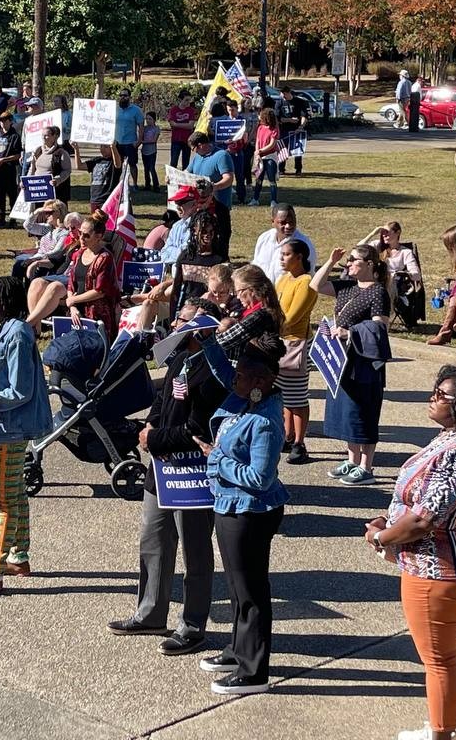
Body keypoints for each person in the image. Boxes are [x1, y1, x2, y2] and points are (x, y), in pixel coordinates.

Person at [365, 365, 456, 740]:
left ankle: (442, 733)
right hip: (454, 559)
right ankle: (443, 727)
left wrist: (383, 538)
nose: (432, 397)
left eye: (442, 395)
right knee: (447, 650)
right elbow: (423, 501)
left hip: (435, 566)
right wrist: (391, 515)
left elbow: (426, 519)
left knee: (438, 659)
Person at [108, 297, 224, 652]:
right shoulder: (178, 359)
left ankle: (192, 625)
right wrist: (150, 424)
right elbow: (162, 401)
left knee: (195, 551)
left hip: (193, 477)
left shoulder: (213, 371)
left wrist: (153, 438)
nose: (175, 325)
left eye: (183, 321)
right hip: (161, 472)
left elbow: (199, 430)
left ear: (200, 331)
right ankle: (150, 614)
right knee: (153, 540)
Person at [193, 338, 288, 696]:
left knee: (251, 591)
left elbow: (260, 479)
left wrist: (217, 459)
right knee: (235, 587)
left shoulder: (263, 422)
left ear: (261, 383)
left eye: (242, 375)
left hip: (250, 511)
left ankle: (254, 671)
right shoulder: (244, 398)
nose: (234, 379)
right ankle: (236, 650)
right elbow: (222, 371)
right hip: (229, 507)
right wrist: (207, 341)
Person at [0, 276, 56, 600]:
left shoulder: (16, 333)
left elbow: (20, 389)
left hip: (8, 429)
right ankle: (19, 557)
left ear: (7, 301)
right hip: (3, 427)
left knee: (3, 502)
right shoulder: (4, 330)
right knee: (15, 494)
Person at [314, 242, 391, 485]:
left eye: (353, 260)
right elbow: (315, 285)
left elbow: (381, 326)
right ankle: (351, 459)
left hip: (364, 361)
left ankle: (366, 467)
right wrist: (331, 261)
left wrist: (351, 332)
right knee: (347, 411)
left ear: (369, 264)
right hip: (342, 359)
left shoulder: (378, 291)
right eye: (348, 260)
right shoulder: (346, 287)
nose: (349, 264)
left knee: (364, 412)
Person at [24, 214, 119, 334]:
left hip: (95, 308)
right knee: (37, 282)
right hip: (75, 302)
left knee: (55, 287)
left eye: (86, 236)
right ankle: (32, 326)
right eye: (80, 233)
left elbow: (100, 291)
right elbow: (71, 284)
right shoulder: (80, 253)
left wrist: (73, 300)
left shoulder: (105, 258)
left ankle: (26, 325)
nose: (81, 238)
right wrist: (72, 306)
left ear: (99, 237)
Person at [274, 237, 318, 463]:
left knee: (297, 397)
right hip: (280, 342)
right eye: (281, 255)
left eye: (287, 255)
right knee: (283, 394)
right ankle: (287, 435)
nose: (282, 259)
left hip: (296, 343)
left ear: (300, 257)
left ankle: (300, 443)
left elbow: (292, 317)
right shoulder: (283, 279)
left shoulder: (306, 282)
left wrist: (271, 325)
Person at [366, 221, 424, 329]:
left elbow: (416, 274)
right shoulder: (378, 246)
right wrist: (372, 233)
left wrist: (404, 274)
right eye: (382, 233)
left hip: (395, 285)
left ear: (398, 233)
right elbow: (358, 249)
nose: (384, 235)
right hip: (376, 281)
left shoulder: (405, 252)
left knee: (385, 287)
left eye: (387, 232)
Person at [251, 203, 316, 282]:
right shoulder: (264, 239)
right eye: (283, 223)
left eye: (291, 222)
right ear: (273, 222)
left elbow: (309, 276)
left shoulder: (304, 244)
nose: (288, 226)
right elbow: (255, 267)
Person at [26, 126, 72, 205]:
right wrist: (26, 181)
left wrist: (58, 180)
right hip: (38, 190)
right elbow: (32, 168)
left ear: (54, 136)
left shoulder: (61, 152)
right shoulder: (38, 151)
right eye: (42, 135)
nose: (44, 137)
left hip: (55, 192)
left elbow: (67, 170)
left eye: (46, 135)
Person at [188, 132, 235, 211]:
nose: (193, 152)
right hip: (200, 205)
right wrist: (172, 177)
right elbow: (186, 172)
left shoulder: (222, 156)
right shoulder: (198, 157)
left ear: (200, 145)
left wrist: (214, 187)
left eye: (193, 149)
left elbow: (229, 179)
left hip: (219, 206)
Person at [0, 112, 21, 226]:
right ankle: (1, 217)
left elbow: (17, 155)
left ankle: (13, 219)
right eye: (1, 120)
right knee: (0, 194)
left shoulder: (14, 136)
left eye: (5, 120)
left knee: (12, 194)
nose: (2, 122)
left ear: (10, 121)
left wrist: (3, 160)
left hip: (10, 169)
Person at [249, 107, 280, 208]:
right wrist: (257, 152)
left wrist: (261, 150)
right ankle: (255, 199)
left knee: (272, 179)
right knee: (259, 178)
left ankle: (274, 200)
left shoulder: (274, 129)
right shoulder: (260, 128)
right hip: (260, 157)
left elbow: (272, 144)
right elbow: (258, 140)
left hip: (270, 156)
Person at [80, 143, 123, 211]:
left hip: (107, 199)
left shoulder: (114, 161)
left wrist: (113, 147)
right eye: (101, 146)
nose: (102, 149)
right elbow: (79, 166)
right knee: (95, 221)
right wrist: (76, 149)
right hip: (95, 199)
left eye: (106, 147)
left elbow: (117, 165)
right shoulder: (96, 160)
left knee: (107, 220)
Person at [115, 89, 145, 182]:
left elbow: (141, 126)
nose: (122, 97)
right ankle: (116, 184)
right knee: (117, 165)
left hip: (130, 142)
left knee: (132, 164)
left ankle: (135, 184)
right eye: (121, 95)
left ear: (129, 97)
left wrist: (139, 141)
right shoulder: (115, 109)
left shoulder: (136, 110)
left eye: (125, 95)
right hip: (117, 142)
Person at [167, 89, 198, 168]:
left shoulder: (191, 110)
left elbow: (191, 125)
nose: (188, 102)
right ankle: (172, 179)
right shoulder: (174, 110)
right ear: (181, 99)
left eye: (189, 100)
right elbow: (172, 124)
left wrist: (177, 124)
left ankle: (185, 179)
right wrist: (184, 125)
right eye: (186, 100)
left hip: (187, 140)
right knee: (173, 162)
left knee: (186, 162)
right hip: (176, 140)